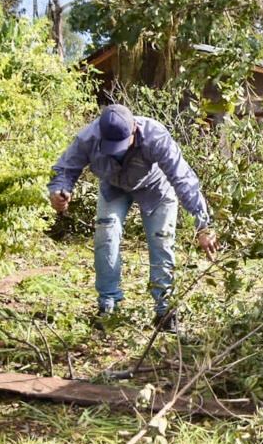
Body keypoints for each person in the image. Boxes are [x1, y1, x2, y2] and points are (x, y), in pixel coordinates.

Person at [48, 104, 216, 333]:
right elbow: (65, 169)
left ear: (134, 130)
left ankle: (164, 311)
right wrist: (59, 192)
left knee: (161, 240)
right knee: (106, 235)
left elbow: (182, 178)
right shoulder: (89, 136)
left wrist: (202, 224)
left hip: (156, 188)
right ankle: (108, 307)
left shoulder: (155, 135)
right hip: (113, 187)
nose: (116, 151)